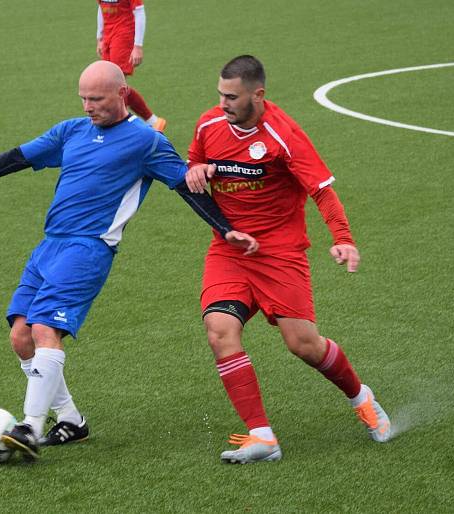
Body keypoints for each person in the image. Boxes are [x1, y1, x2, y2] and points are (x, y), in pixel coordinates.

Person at [0, 60, 258, 462]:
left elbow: (185, 185)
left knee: (43, 330)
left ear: (122, 95)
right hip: (50, 246)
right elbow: (19, 156)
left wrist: (225, 228)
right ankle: (71, 421)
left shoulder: (146, 142)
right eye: (84, 98)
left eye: (97, 99)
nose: (89, 106)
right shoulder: (71, 130)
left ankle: (30, 428)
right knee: (20, 337)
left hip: (88, 248)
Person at [185, 55, 392, 464]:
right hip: (229, 250)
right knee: (219, 330)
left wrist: (343, 239)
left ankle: (360, 397)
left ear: (258, 95)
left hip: (279, 252)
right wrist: (196, 169)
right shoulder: (209, 124)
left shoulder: (283, 134)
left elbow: (322, 191)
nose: (222, 103)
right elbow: (193, 161)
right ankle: (262, 436)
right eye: (220, 94)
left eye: (232, 96)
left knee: (304, 345)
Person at [97, 0, 166, 131]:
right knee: (114, 84)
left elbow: (139, 12)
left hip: (124, 35)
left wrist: (138, 46)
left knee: (115, 85)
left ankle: (122, 130)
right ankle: (154, 122)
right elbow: (101, 7)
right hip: (108, 35)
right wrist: (99, 37)